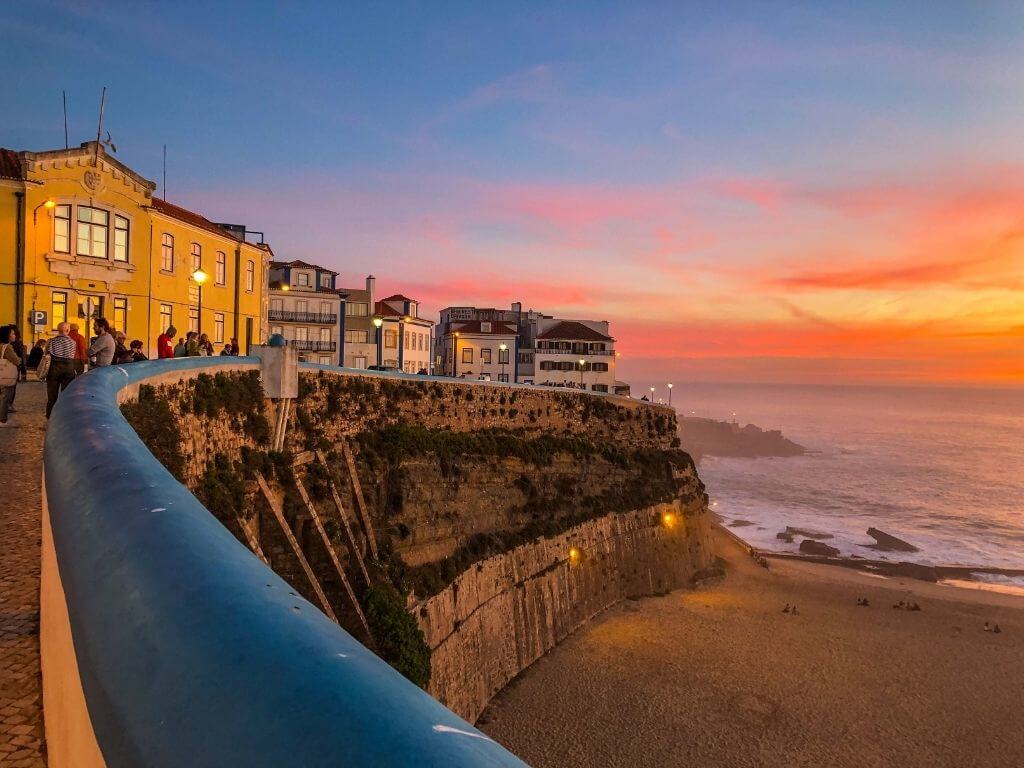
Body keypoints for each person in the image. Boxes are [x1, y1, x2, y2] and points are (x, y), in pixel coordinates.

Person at [44, 323, 78, 418]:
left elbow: (46, 354)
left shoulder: (51, 341)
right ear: (68, 331)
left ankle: (49, 418)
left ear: (58, 330)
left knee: (52, 397)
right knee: (66, 395)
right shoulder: (73, 342)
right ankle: (64, 417)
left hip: (54, 369)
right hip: (68, 368)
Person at [0, 326, 21, 428]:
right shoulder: (7, 347)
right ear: (6, 336)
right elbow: (16, 360)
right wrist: (20, 359)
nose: (14, 335)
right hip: (5, 377)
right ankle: (2, 421)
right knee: (5, 398)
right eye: (12, 333)